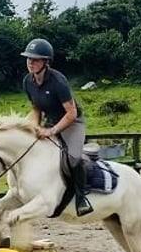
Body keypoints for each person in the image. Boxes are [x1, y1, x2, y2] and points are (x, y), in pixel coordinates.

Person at [21, 37, 93, 217]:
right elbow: (36, 108)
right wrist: (34, 128)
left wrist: (52, 131)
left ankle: (81, 198)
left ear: (46, 62)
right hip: (50, 122)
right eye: (29, 58)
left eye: (35, 59)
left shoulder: (58, 81)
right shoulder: (27, 82)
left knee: (73, 158)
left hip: (71, 123)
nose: (31, 62)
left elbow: (71, 113)